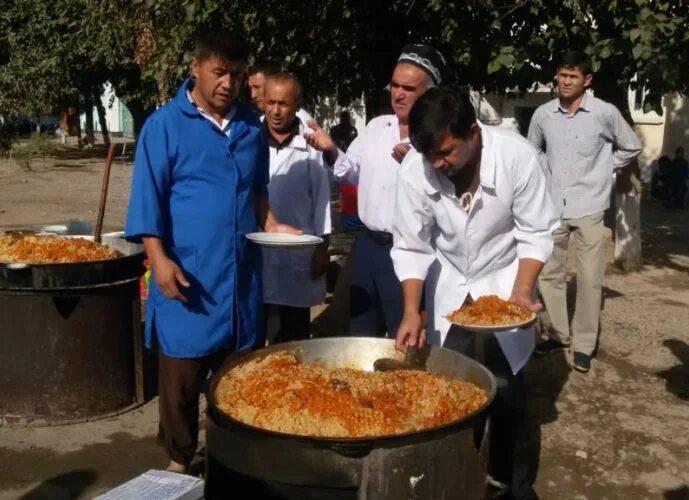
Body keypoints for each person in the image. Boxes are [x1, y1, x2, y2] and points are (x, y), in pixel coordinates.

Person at [124, 31, 299, 473]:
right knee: (180, 382)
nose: (228, 84)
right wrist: (158, 260)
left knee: (236, 380)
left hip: (239, 280)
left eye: (237, 75)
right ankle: (179, 461)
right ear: (196, 68)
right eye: (220, 73)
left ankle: (228, 460)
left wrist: (275, 226)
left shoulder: (249, 129)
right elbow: (148, 200)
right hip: (188, 279)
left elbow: (258, 194)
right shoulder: (164, 127)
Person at [392, 86, 558, 500]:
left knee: (507, 387)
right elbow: (412, 245)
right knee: (450, 384)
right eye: (431, 155)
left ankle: (513, 484)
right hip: (449, 280)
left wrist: (521, 291)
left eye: (446, 153)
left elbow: (535, 231)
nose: (438, 164)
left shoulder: (517, 157)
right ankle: (456, 479)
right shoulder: (417, 168)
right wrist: (412, 311)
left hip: (505, 279)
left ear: (472, 132)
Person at [305, 43, 447, 337]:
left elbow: (450, 197)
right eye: (394, 85)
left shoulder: (442, 140)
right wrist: (331, 150)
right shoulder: (377, 128)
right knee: (360, 333)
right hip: (368, 246)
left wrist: (420, 163)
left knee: (406, 338)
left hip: (411, 251)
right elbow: (352, 172)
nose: (398, 94)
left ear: (429, 93)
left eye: (408, 88)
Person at [527, 49, 642, 373]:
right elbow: (532, 147)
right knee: (549, 274)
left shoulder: (604, 113)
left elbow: (631, 145)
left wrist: (606, 169)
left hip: (590, 206)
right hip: (552, 206)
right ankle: (559, 334)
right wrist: (543, 173)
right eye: (562, 75)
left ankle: (583, 346)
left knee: (590, 279)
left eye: (572, 76)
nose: (565, 82)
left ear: (586, 80)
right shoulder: (544, 114)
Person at [261, 73, 331, 343]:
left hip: (300, 248)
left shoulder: (310, 142)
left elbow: (322, 198)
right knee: (261, 325)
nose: (276, 111)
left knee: (295, 331)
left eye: (284, 104)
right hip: (261, 248)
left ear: (297, 104)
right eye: (270, 102)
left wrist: (322, 247)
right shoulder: (251, 137)